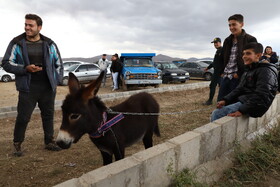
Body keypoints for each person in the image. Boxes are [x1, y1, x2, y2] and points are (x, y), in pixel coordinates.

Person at [1, 14, 63, 156]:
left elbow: (59, 64)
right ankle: (17, 144)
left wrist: (56, 81)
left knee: (48, 115)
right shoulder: (17, 43)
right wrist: (25, 69)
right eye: (26, 25)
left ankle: (49, 141)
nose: (27, 28)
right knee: (23, 117)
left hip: (47, 88)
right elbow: (6, 63)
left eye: (31, 25)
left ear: (39, 27)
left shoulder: (49, 44)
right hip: (28, 88)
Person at [211, 42, 278, 122]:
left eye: (248, 53)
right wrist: (226, 100)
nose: (244, 57)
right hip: (247, 100)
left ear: (258, 55)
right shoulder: (250, 69)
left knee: (217, 113)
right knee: (221, 107)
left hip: (256, 106)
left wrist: (242, 110)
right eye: (243, 54)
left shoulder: (265, 71)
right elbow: (240, 88)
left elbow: (262, 95)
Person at [217, 14, 257, 101]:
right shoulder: (227, 40)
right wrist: (221, 73)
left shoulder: (250, 39)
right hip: (225, 77)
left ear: (242, 24)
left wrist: (239, 74)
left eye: (234, 24)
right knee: (220, 103)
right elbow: (222, 58)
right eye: (229, 25)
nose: (231, 27)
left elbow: (253, 60)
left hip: (238, 79)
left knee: (233, 104)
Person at [203, 37, 223, 105]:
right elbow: (214, 62)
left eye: (216, 43)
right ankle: (211, 101)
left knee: (221, 87)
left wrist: (223, 72)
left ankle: (219, 101)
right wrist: (208, 68)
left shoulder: (223, 50)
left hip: (221, 73)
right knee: (212, 86)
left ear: (220, 43)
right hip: (216, 72)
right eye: (214, 43)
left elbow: (225, 62)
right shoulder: (217, 51)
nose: (215, 44)